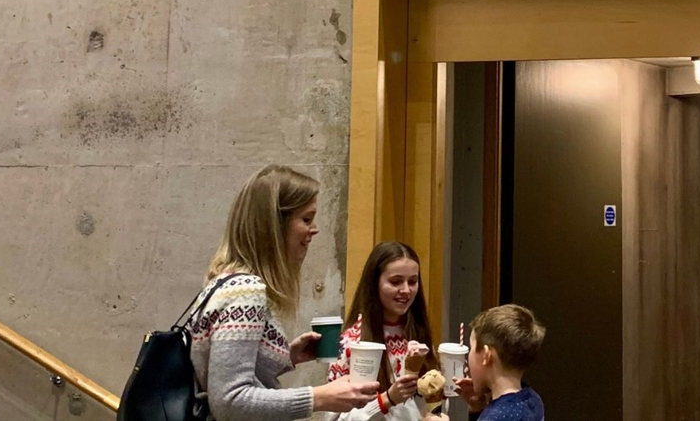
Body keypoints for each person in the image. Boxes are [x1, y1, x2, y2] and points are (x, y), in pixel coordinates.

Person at [187, 165, 379, 420]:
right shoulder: (246, 292)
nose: (314, 229)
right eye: (306, 219)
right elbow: (230, 401)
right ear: (275, 225)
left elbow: (227, 371)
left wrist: (286, 356)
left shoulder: (227, 281)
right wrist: (319, 397)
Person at [328, 241, 440, 420]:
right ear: (375, 283)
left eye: (413, 281)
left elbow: (429, 407)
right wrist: (387, 399)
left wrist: (441, 392)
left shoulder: (417, 336)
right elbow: (333, 417)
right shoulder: (351, 343)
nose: (406, 290)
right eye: (396, 282)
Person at [453, 305, 546, 421]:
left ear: (486, 355)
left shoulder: (498, 416)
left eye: (472, 348)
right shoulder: (533, 400)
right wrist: (478, 408)